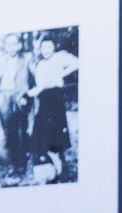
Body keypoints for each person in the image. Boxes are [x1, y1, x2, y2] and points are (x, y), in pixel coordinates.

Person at [26, 35, 78, 185]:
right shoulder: (40, 64)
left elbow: (77, 63)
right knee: (42, 135)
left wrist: (60, 74)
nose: (46, 50)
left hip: (56, 99)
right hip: (43, 100)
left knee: (57, 136)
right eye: (44, 47)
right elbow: (39, 84)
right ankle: (52, 170)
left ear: (54, 46)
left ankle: (62, 170)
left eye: (49, 46)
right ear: (40, 49)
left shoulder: (60, 57)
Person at [0, 33, 31, 184]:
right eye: (9, 44)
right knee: (8, 134)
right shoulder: (1, 62)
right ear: (5, 47)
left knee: (20, 132)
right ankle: (11, 166)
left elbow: (32, 78)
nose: (12, 47)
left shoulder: (26, 60)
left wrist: (26, 95)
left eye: (14, 44)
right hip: (4, 98)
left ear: (19, 45)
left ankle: (21, 166)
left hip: (19, 98)